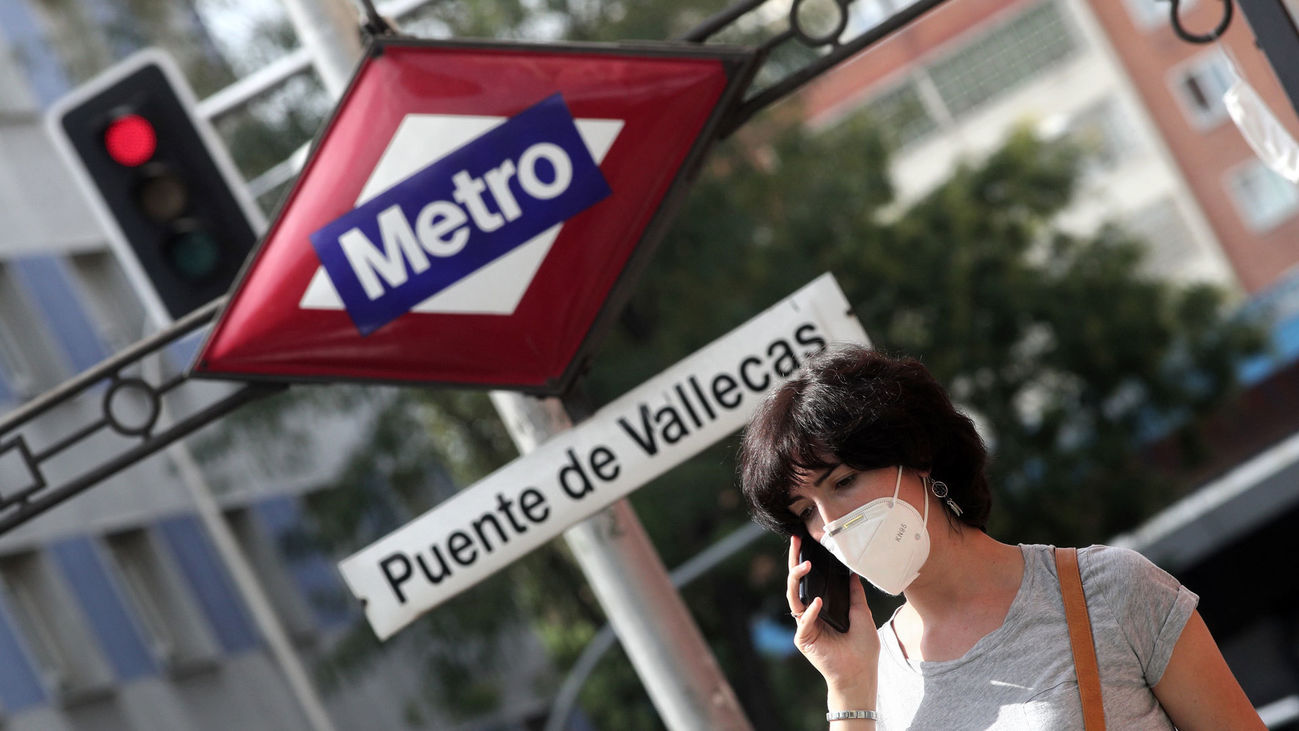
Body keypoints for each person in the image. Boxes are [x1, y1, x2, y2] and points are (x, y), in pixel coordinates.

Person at [737, 344, 1262, 730]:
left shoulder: (1108, 589)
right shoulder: (871, 682)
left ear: (917, 456)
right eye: (806, 512)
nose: (830, 524)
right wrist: (848, 690)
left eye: (844, 482)